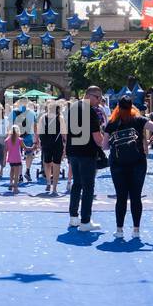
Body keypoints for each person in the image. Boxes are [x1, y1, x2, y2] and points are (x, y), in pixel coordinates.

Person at [103, 96, 153, 239]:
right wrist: (152, 139)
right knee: (136, 197)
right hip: (138, 163)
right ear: (131, 107)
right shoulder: (139, 120)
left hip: (118, 164)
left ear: (117, 107)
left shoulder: (112, 123)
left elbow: (105, 146)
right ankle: (136, 230)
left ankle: (119, 230)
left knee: (121, 197)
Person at [64, 85, 106, 231]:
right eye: (98, 97)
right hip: (87, 153)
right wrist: (106, 144)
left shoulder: (72, 108)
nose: (100, 101)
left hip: (73, 152)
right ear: (89, 95)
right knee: (88, 187)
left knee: (77, 184)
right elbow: (97, 137)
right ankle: (86, 221)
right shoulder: (90, 111)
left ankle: (73, 218)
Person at [37, 100, 65, 195]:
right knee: (56, 165)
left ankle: (49, 182)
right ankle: (54, 188)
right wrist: (66, 143)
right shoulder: (59, 118)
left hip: (46, 143)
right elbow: (64, 133)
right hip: (57, 143)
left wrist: (37, 142)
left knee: (47, 163)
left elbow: (39, 131)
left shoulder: (43, 118)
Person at [3, 124, 25, 193]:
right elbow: (25, 148)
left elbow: (5, 151)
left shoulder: (7, 140)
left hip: (11, 159)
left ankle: (10, 183)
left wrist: (4, 160)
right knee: (17, 173)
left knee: (12, 171)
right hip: (17, 158)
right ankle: (15, 187)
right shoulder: (19, 139)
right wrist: (32, 147)